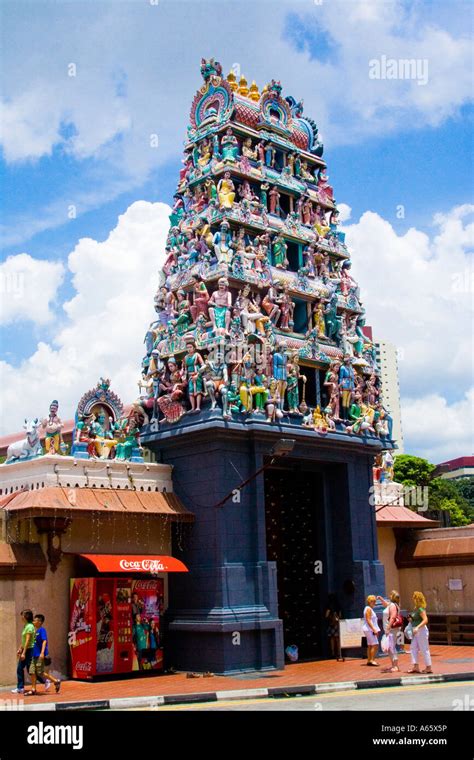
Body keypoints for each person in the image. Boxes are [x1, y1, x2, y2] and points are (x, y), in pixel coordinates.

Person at [24, 614, 61, 695]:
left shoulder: (42, 630)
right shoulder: (36, 631)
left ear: (39, 622)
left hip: (39, 655)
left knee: (40, 672)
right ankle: (33, 689)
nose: (33, 622)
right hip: (34, 655)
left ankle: (56, 681)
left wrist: (42, 653)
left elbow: (44, 641)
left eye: (35, 620)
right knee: (32, 671)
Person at [407, 591, 433, 674]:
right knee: (413, 647)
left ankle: (428, 667)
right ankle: (415, 666)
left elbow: (426, 620)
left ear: (417, 599)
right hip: (415, 631)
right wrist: (411, 619)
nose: (413, 599)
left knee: (424, 648)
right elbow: (415, 619)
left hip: (421, 630)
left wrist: (417, 627)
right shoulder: (416, 609)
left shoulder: (421, 609)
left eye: (414, 598)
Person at [377, 591, 402, 672]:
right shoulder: (391, 604)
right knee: (390, 647)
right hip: (391, 630)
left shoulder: (392, 606)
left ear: (393, 596)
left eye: (391, 594)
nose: (389, 595)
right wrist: (381, 599)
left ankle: (395, 666)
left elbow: (393, 617)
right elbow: (385, 604)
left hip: (391, 630)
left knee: (391, 647)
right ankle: (394, 665)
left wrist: (388, 628)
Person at [12, 609, 35, 694]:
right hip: (26, 649)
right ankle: (20, 688)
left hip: (29, 650)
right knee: (20, 668)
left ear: (26, 616)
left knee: (30, 670)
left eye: (22, 615)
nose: (21, 617)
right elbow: (24, 641)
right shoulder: (26, 626)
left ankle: (46, 680)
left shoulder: (30, 626)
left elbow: (28, 641)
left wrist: (24, 653)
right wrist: (20, 649)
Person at [362, 595, 380, 666]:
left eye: (375, 601)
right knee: (375, 644)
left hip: (368, 629)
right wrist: (374, 629)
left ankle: (369, 660)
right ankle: (372, 660)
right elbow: (368, 619)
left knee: (370, 645)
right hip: (370, 629)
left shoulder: (368, 608)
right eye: (373, 601)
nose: (374, 603)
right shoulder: (368, 609)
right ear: (369, 601)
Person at [324, 595, 342, 659]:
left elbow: (326, 615)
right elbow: (340, 615)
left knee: (332, 639)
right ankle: (339, 652)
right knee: (337, 638)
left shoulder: (329, 606)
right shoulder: (338, 606)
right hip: (337, 624)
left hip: (331, 624)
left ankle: (333, 653)